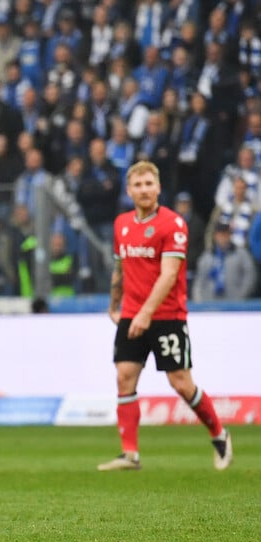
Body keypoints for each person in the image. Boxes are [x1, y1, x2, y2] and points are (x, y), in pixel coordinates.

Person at [99, 161, 232, 472]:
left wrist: (146, 314)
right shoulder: (121, 224)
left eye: (149, 184)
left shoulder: (173, 225)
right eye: (138, 185)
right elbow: (121, 266)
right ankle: (130, 454)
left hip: (166, 316)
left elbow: (169, 274)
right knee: (124, 377)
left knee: (181, 383)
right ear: (129, 190)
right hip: (132, 312)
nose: (144, 190)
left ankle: (219, 434)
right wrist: (114, 302)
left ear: (158, 188)